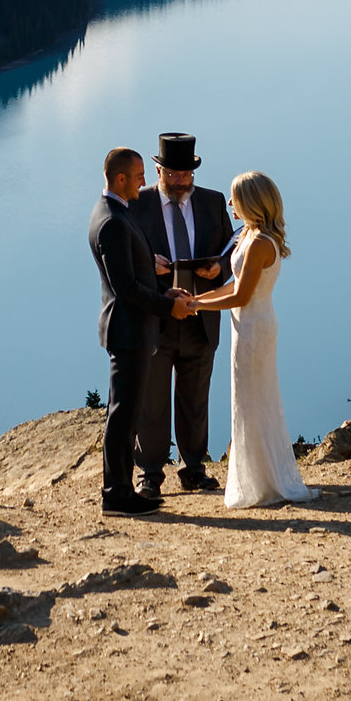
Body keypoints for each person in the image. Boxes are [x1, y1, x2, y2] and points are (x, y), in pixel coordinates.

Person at [190, 169, 316, 509]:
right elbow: (232, 285)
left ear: (252, 202)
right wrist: (196, 300)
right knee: (248, 399)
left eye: (235, 197)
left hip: (254, 326)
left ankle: (263, 482)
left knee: (253, 399)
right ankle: (261, 478)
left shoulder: (260, 243)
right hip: (247, 325)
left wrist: (195, 306)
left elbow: (241, 296)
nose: (229, 202)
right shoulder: (248, 235)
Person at [88, 146, 195, 517]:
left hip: (133, 328)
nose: (144, 182)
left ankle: (118, 490)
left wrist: (165, 292)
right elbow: (127, 289)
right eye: (138, 177)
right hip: (128, 331)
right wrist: (169, 306)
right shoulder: (113, 222)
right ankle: (115, 495)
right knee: (123, 415)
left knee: (127, 414)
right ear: (120, 179)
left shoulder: (116, 212)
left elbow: (135, 276)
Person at [132, 129, 231, 496]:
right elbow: (121, 256)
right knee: (152, 401)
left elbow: (230, 253)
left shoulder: (212, 201)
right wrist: (148, 266)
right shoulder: (136, 204)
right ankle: (150, 474)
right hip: (155, 318)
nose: (180, 181)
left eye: (186, 174)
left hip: (199, 316)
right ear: (158, 171)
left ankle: (193, 469)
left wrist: (218, 268)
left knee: (195, 399)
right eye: (172, 174)